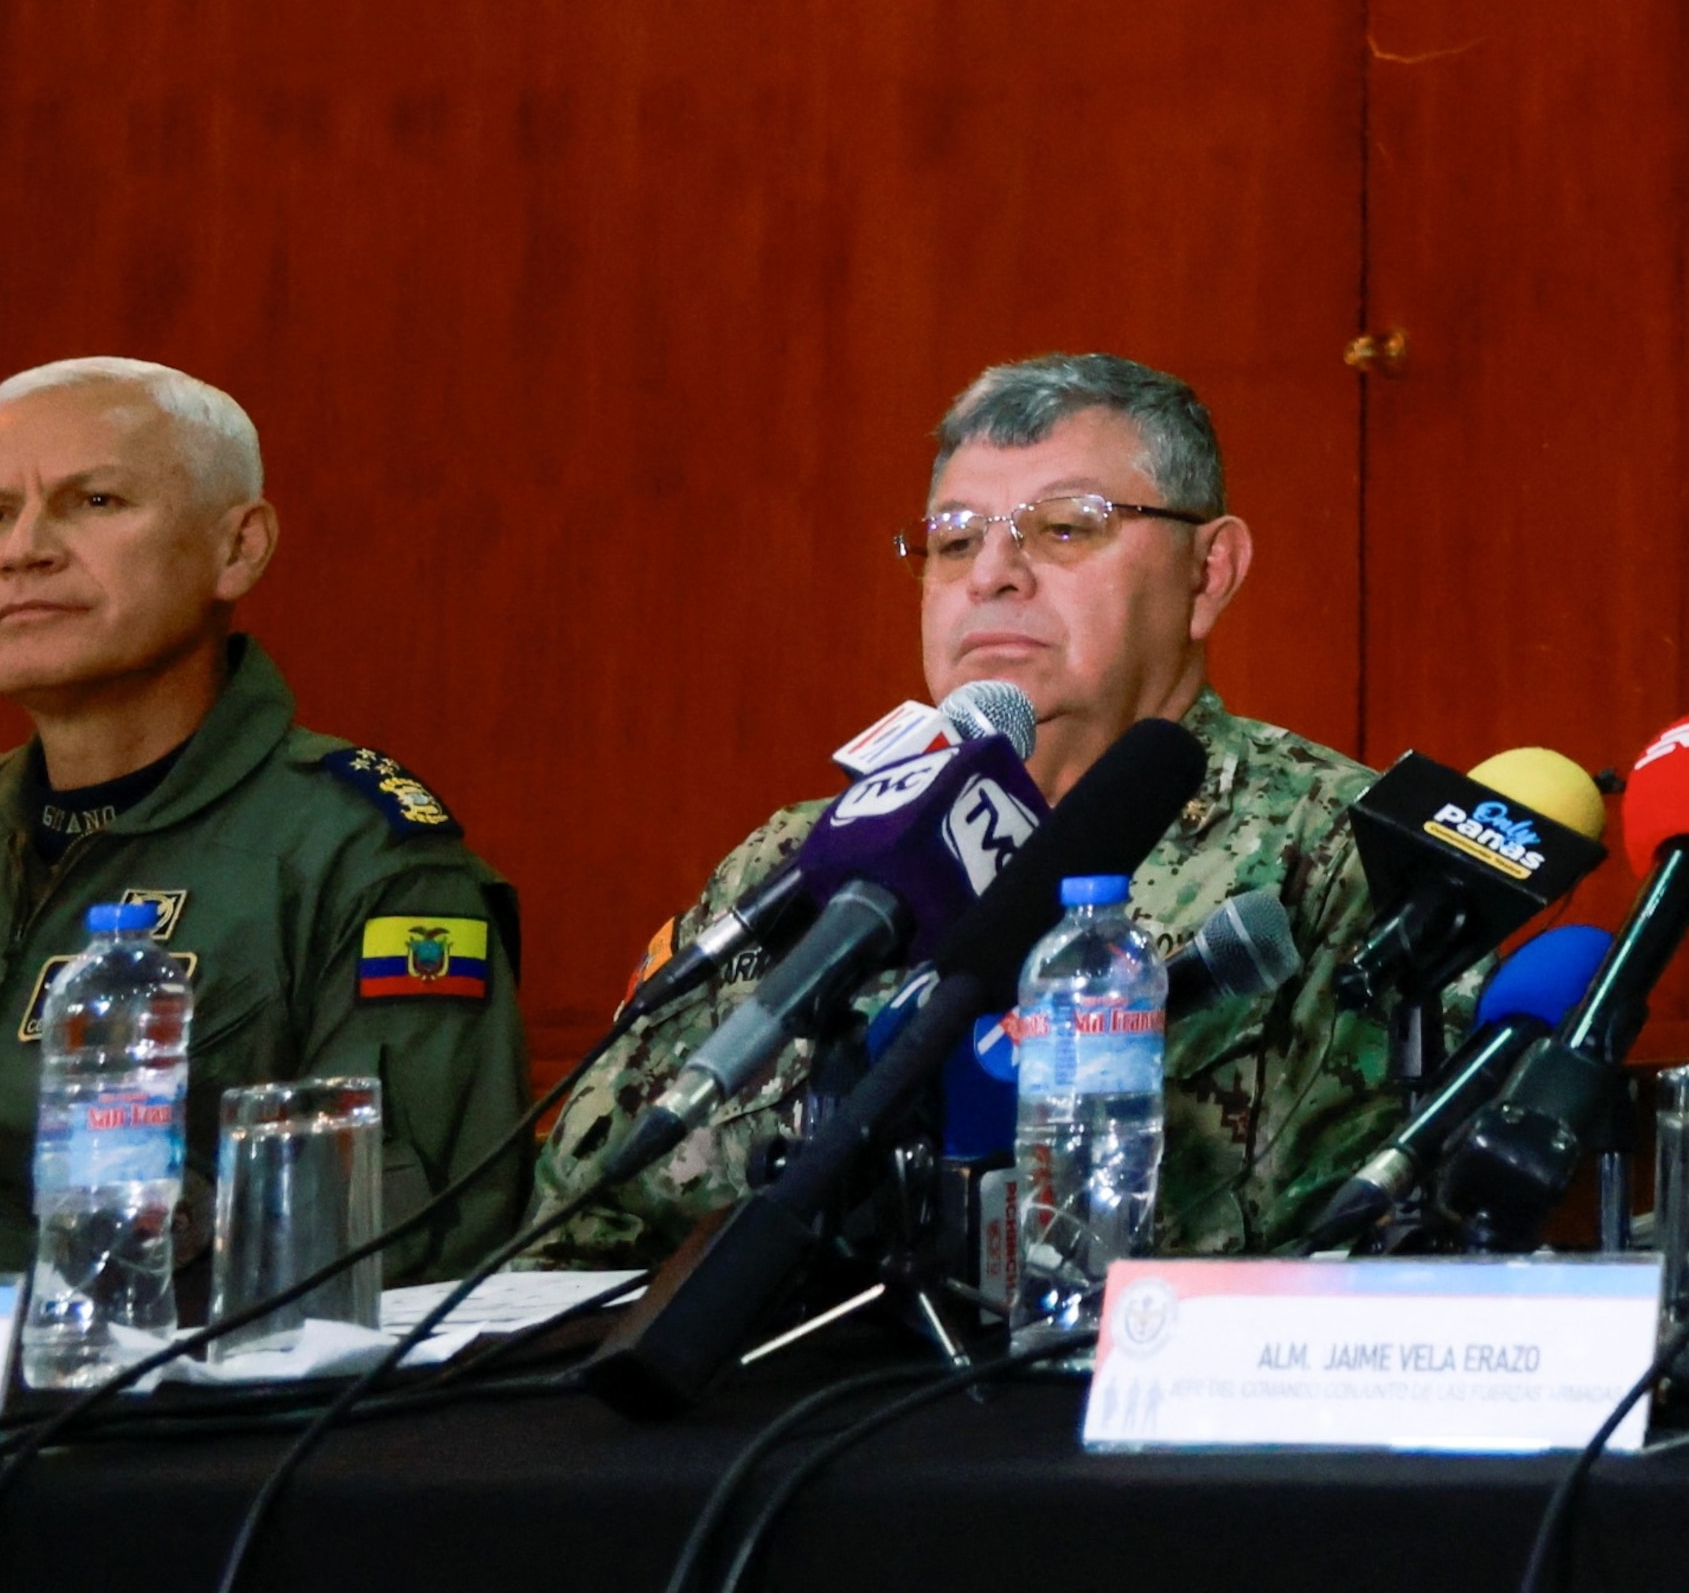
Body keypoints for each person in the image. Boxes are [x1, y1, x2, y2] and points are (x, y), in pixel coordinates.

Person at [0, 358, 532, 1283]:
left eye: (95, 502)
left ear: (239, 548)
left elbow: (401, 1255)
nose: (23, 549)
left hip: (155, 1406)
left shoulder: (359, 857)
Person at [527, 353, 1389, 1265]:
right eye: (953, 539)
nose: (992, 576)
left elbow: (1366, 1268)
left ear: (1209, 573)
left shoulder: (1339, 853)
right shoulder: (799, 858)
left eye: (1063, 529)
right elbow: (576, 1228)